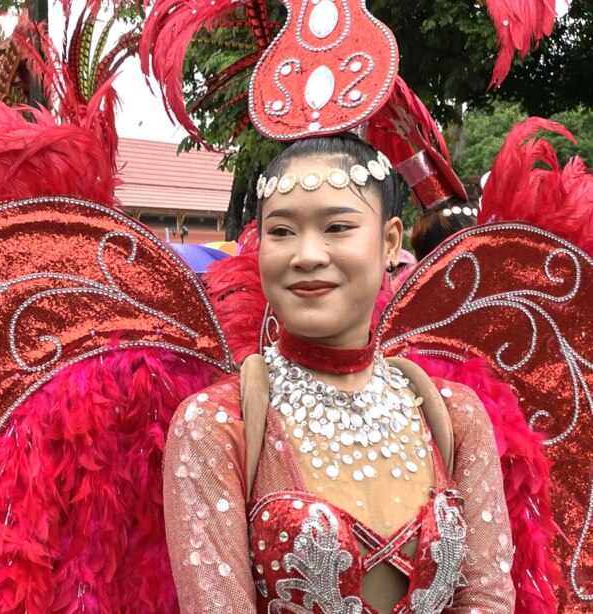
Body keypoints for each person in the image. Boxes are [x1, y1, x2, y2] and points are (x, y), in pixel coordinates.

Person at [162, 134, 516, 613]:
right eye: (283, 232)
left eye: (337, 227)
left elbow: (487, 598)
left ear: (390, 241)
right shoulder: (217, 425)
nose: (306, 255)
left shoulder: (454, 415)